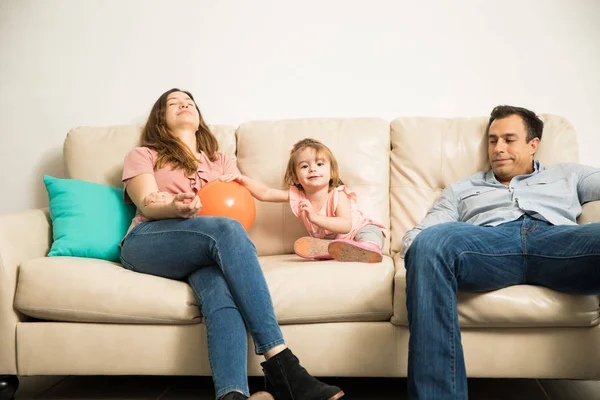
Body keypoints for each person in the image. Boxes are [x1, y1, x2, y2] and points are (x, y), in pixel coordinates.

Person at [119, 88, 345, 400]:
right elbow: (146, 203)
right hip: (149, 242)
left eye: (189, 102)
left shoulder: (221, 162)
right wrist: (174, 206)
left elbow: (238, 204)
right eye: (174, 103)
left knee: (219, 286)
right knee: (227, 228)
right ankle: (284, 367)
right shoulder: (144, 154)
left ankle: (232, 395)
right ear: (160, 120)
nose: (184, 105)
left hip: (203, 251)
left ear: (199, 119)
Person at [401, 105, 600, 399]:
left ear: (534, 145)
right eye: (493, 141)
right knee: (431, 243)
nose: (498, 148)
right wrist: (417, 249)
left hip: (558, 242)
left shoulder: (568, 174)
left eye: (509, 139)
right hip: (489, 245)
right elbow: (421, 234)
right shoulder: (461, 189)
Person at [221, 138, 387, 263]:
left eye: (320, 164)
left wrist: (315, 218)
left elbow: (345, 225)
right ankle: (333, 250)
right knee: (327, 243)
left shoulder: (338, 194)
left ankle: (368, 248)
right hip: (338, 241)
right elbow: (265, 193)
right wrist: (243, 180)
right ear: (296, 177)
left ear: (331, 172)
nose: (313, 168)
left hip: (359, 230)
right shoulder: (298, 196)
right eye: (304, 166)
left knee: (370, 234)